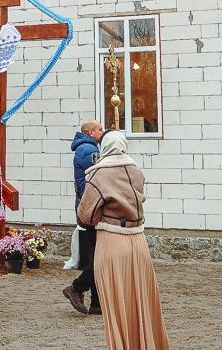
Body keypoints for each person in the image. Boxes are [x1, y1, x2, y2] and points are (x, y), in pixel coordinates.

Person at [76, 131, 170, 350]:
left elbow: (85, 215)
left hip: (112, 240)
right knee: (141, 302)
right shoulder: (137, 171)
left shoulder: (98, 174)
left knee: (117, 305)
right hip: (138, 241)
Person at [64, 118, 104, 314]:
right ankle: (78, 287)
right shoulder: (89, 151)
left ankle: (97, 304)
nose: (102, 132)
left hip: (88, 209)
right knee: (99, 258)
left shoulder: (86, 148)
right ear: (90, 132)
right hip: (92, 210)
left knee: (96, 256)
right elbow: (99, 178)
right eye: (99, 129)